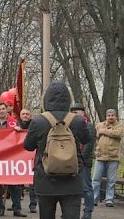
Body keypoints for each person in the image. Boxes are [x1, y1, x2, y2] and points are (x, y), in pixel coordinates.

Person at [23, 80, 90, 219]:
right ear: (68, 99)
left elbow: (28, 146)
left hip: (46, 178)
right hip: (72, 179)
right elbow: (87, 139)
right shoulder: (77, 121)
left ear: (46, 99)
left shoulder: (38, 121)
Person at [0, 102, 26, 217]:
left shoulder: (14, 122)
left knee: (15, 184)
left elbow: (22, 137)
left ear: (6, 110)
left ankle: (17, 208)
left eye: (3, 109)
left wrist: (19, 131)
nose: (1, 111)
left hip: (11, 157)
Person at [91, 108, 122, 208]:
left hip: (113, 157)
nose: (110, 117)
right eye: (109, 115)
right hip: (100, 156)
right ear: (106, 116)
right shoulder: (99, 125)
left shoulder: (120, 125)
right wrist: (100, 131)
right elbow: (96, 135)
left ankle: (109, 200)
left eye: (112, 115)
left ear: (115, 116)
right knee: (96, 179)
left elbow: (117, 134)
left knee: (111, 181)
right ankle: (93, 199)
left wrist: (103, 131)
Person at [69, 102, 95, 219]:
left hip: (83, 162)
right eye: (72, 112)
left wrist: (80, 159)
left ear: (82, 113)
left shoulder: (88, 125)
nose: (74, 114)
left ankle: (88, 212)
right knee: (74, 188)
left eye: (76, 112)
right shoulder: (71, 125)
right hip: (73, 161)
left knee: (86, 188)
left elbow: (89, 144)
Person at [18, 108, 37, 213]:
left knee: (32, 183)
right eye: (23, 114)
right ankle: (16, 205)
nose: (25, 115)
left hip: (31, 157)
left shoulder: (35, 126)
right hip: (18, 158)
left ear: (30, 116)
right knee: (17, 183)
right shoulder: (15, 125)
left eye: (27, 114)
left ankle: (33, 204)